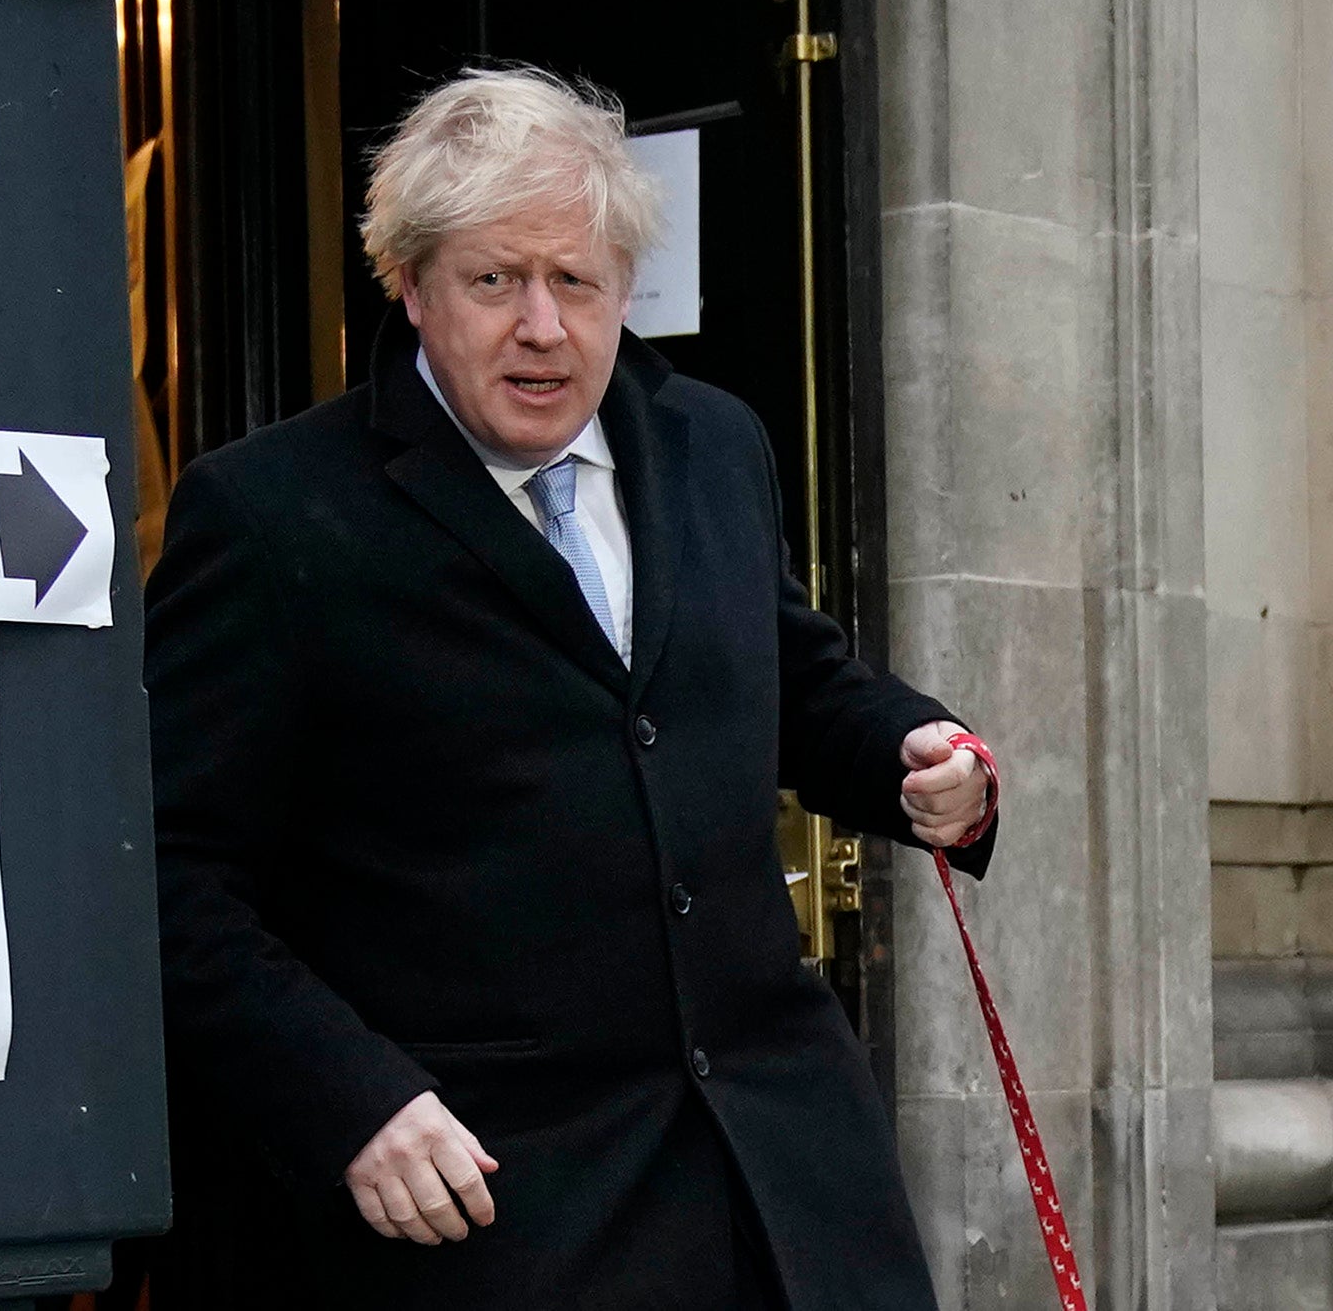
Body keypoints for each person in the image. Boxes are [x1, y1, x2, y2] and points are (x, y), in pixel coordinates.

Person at [143, 67, 995, 1310]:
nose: (542, 326)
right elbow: (165, 873)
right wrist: (348, 1099)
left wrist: (919, 756)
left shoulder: (712, 443)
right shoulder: (269, 514)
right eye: (494, 280)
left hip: (783, 1177)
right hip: (497, 1208)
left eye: (576, 283)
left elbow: (794, 682)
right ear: (409, 284)